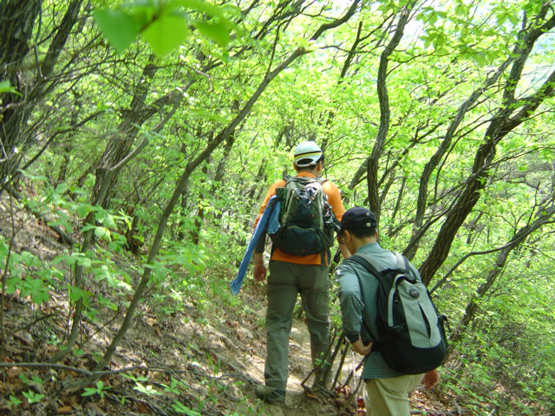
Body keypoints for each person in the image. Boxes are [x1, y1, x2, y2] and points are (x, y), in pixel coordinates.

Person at [253, 141, 346, 404]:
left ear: (295, 165)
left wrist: (259, 262)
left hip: (282, 265)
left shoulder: (279, 187)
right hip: (316, 268)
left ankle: (275, 389)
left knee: (278, 325)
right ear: (319, 165)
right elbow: (343, 230)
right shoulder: (329, 190)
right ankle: (321, 387)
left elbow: (260, 226)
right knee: (319, 327)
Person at [335, 207, 440, 416]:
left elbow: (349, 292)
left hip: (387, 368)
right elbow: (422, 310)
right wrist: (430, 363)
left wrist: (354, 338)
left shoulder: (351, 268)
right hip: (416, 359)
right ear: (376, 233)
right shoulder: (403, 262)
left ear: (345, 236)